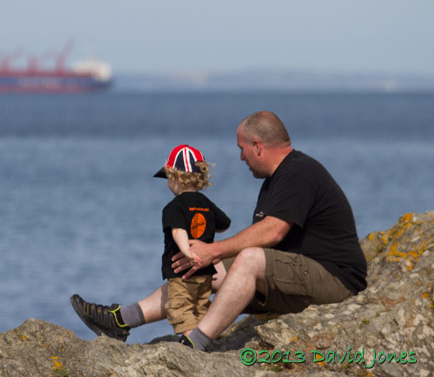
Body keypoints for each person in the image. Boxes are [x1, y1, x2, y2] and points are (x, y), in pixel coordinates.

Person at [70, 111, 367, 350]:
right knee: (202, 265)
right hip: (298, 278)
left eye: (241, 149)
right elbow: (266, 242)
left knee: (245, 259)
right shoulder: (275, 182)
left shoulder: (299, 171)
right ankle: (120, 320)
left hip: (335, 280)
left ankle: (195, 342)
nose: (240, 158)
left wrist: (214, 249)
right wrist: (207, 257)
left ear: (257, 146)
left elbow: (272, 232)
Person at [153, 144, 231, 336]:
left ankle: (191, 344)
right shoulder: (206, 203)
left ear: (175, 178)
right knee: (201, 308)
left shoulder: (174, 207)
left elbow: (178, 230)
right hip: (205, 272)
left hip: (182, 272)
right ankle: (206, 340)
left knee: (181, 311)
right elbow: (224, 224)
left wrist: (186, 252)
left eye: (168, 178)